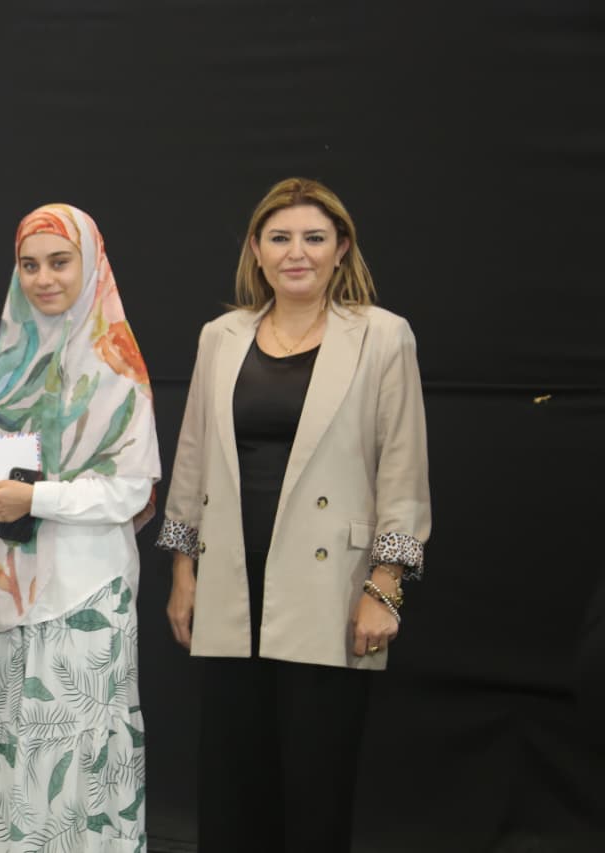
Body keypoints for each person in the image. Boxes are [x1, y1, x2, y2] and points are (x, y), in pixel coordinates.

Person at [156, 177, 431, 851]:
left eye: (313, 237)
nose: (296, 252)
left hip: (332, 585)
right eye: (279, 238)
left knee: (316, 781)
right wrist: (183, 572)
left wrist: (385, 587)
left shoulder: (382, 335)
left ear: (342, 248)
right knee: (231, 777)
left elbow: (403, 468)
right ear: (256, 249)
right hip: (230, 581)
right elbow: (192, 458)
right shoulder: (221, 336)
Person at [0, 204, 160, 852]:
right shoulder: (9, 351)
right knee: (1, 753)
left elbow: (130, 488)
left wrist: (35, 497)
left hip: (80, 594)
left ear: (90, 263)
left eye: (59, 262)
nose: (43, 279)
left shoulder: (114, 362)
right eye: (30, 264)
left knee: (70, 766)